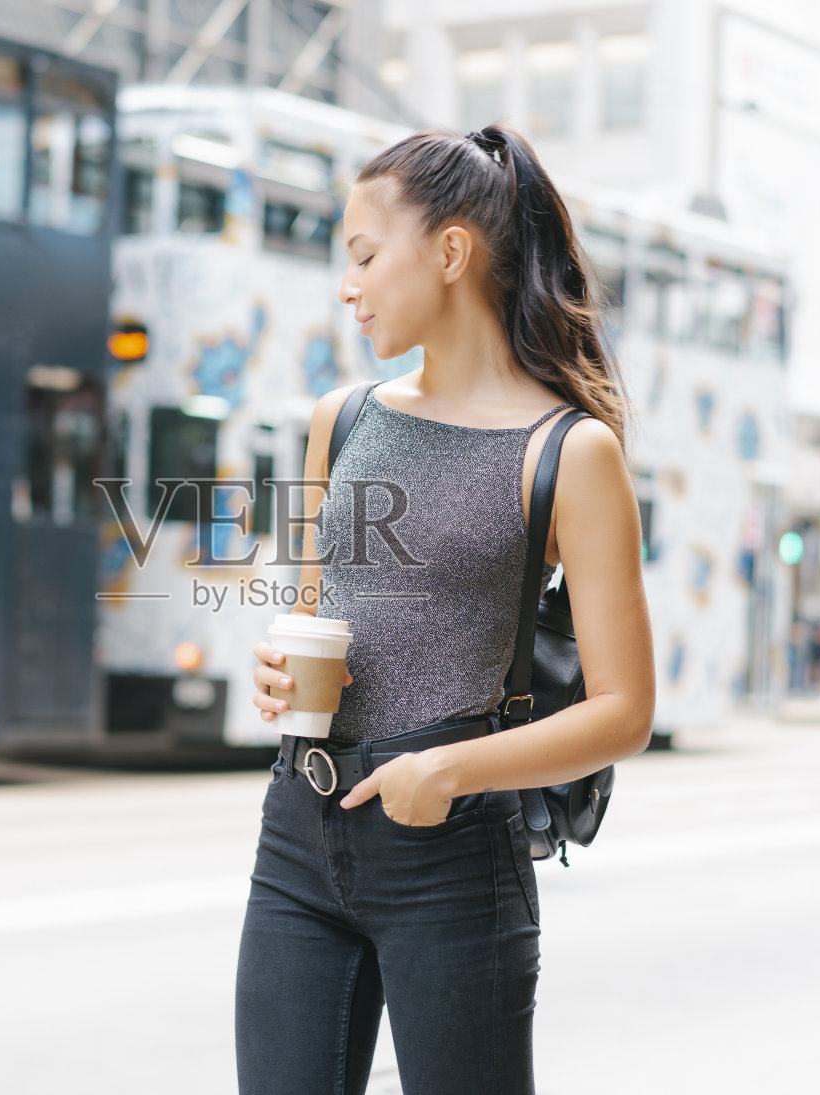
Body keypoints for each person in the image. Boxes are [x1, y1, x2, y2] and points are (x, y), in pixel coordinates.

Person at [237, 125, 656, 1095]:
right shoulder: (338, 422)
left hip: (453, 853)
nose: (349, 287)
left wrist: (450, 769)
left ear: (452, 252)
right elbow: (312, 620)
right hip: (297, 831)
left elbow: (623, 711)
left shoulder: (568, 454)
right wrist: (275, 671)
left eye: (365, 257)